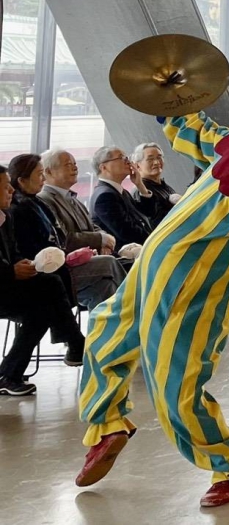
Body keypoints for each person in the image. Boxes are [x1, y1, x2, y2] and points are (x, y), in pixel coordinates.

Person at [74, 64, 229, 508]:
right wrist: (169, 90)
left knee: (176, 391)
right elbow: (193, 127)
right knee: (102, 336)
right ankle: (108, 425)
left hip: (193, 300)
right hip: (146, 277)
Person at [0, 164, 87, 397]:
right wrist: (11, 272)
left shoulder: (6, 217)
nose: (11, 190)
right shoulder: (18, 210)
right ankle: (75, 341)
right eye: (5, 186)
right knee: (50, 287)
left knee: (44, 304)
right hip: (3, 285)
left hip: (6, 287)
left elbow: (14, 253)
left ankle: (8, 375)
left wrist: (23, 264)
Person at [7, 154, 126, 310]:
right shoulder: (25, 207)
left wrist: (90, 247)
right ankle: (133, 311)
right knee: (109, 263)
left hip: (64, 260)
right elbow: (39, 246)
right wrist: (92, 244)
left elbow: (77, 231)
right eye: (39, 174)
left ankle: (107, 323)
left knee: (104, 285)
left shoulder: (38, 202)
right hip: (49, 268)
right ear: (22, 180)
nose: (43, 178)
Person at [37, 149, 117, 257]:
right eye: (68, 164)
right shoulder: (44, 199)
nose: (75, 168)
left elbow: (93, 227)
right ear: (49, 171)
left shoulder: (73, 199)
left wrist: (104, 240)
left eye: (75, 164)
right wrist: (101, 239)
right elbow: (63, 238)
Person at [88, 146, 152, 248]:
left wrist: (140, 185)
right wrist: (154, 240)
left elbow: (148, 213)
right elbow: (128, 233)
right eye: (121, 157)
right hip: (125, 254)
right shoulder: (104, 196)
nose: (128, 161)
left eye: (127, 157)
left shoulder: (119, 191)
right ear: (103, 167)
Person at [130, 142, 180, 229]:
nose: (157, 162)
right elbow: (154, 221)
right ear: (137, 166)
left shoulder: (162, 185)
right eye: (150, 159)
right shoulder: (141, 191)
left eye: (159, 157)